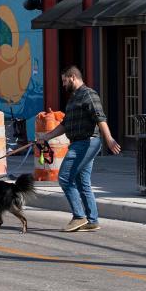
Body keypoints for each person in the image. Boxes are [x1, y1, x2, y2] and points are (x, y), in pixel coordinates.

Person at [40, 66, 120, 233]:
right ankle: (92, 220)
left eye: (64, 81)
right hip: (78, 142)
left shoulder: (88, 94)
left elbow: (100, 117)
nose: (63, 84)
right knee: (82, 182)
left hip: (87, 142)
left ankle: (79, 217)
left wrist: (109, 139)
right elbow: (65, 124)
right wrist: (45, 138)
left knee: (64, 177)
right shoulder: (73, 98)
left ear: (72, 77)